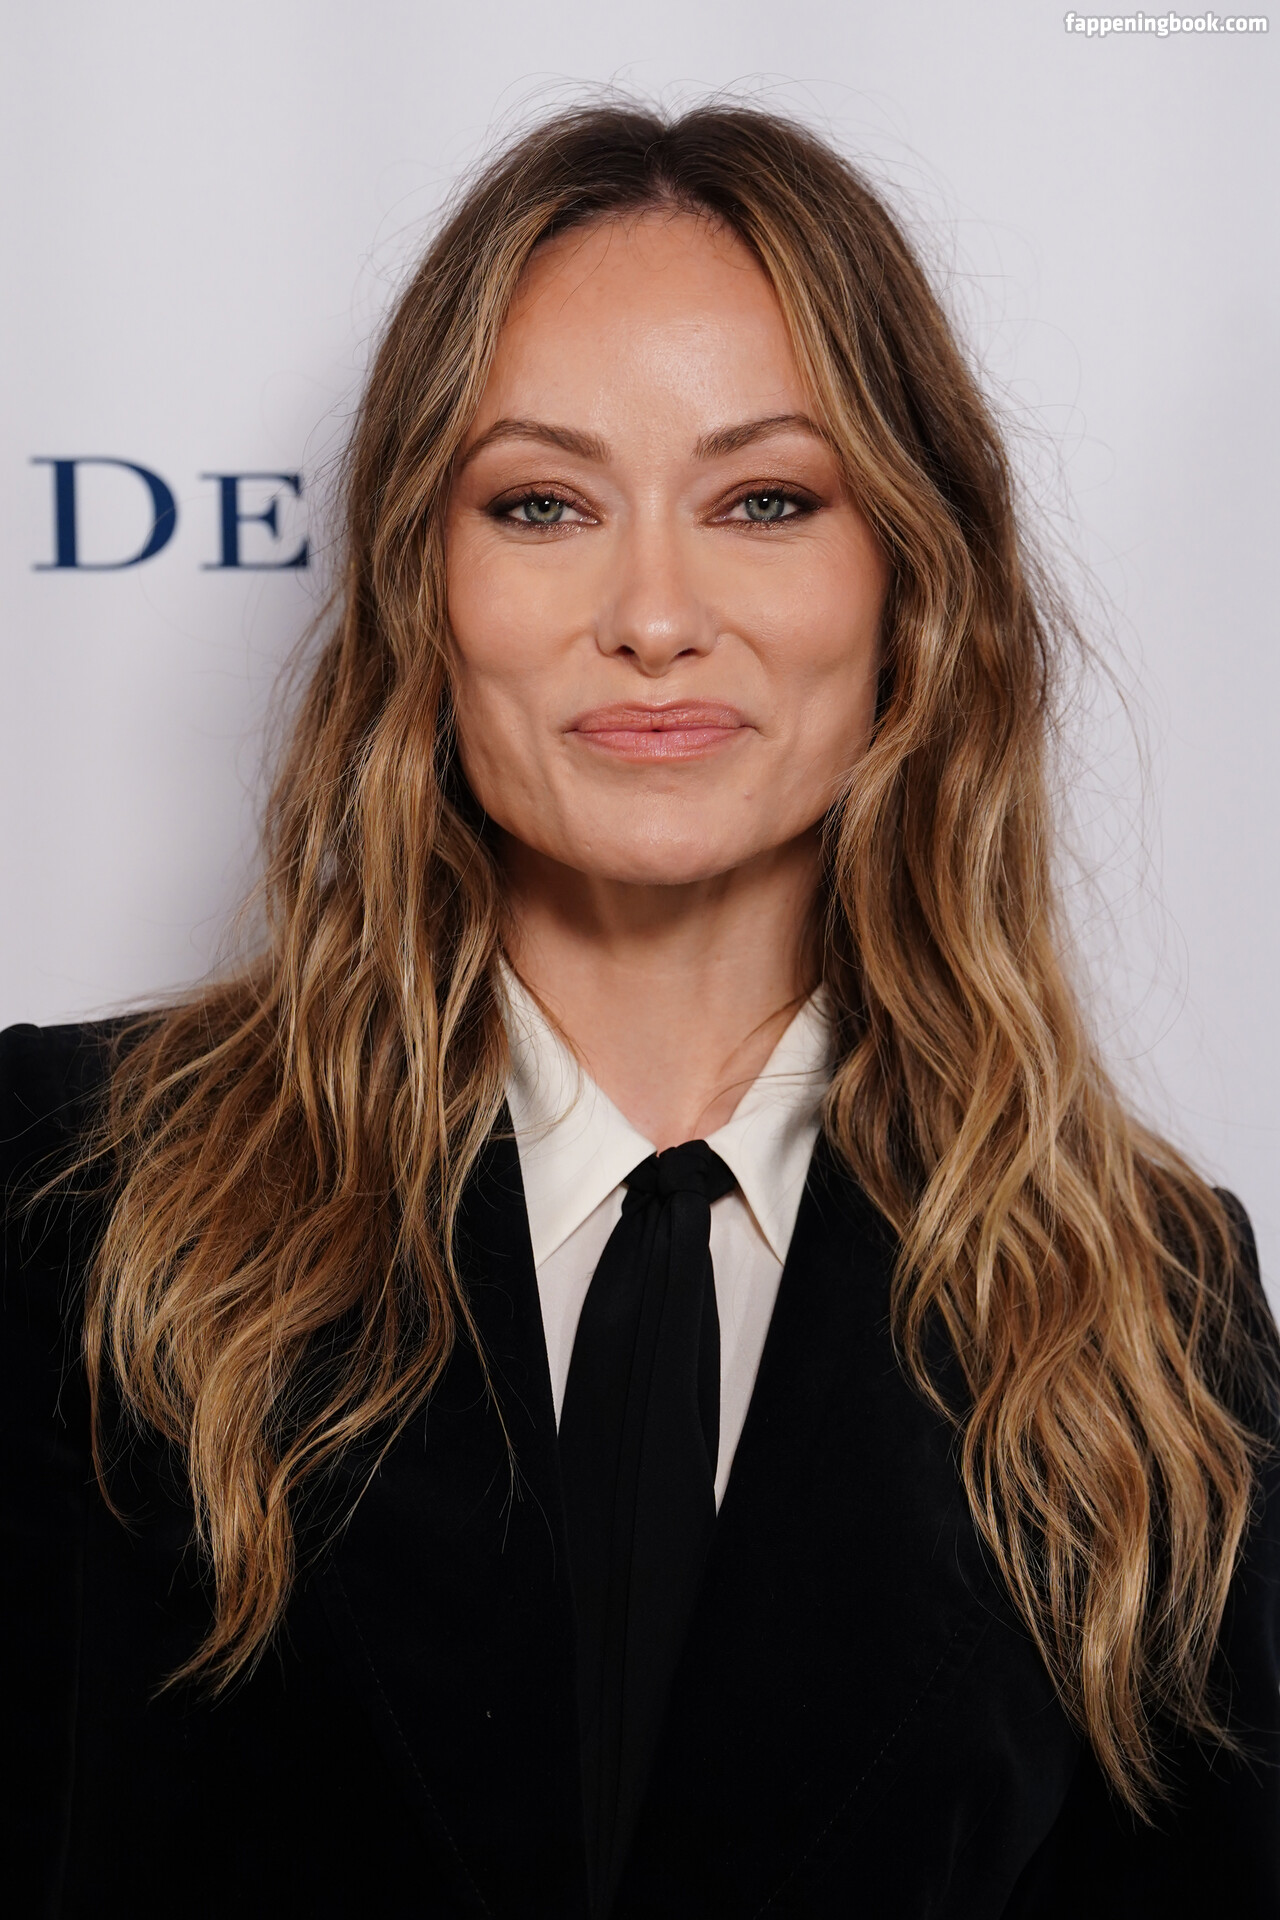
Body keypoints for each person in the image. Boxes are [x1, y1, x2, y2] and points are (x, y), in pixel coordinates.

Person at [3, 103, 1277, 1919]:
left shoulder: (1145, 1303)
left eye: (766, 501)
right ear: (420, 584)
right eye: (543, 504)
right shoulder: (68, 1196)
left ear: (913, 580)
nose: (655, 615)